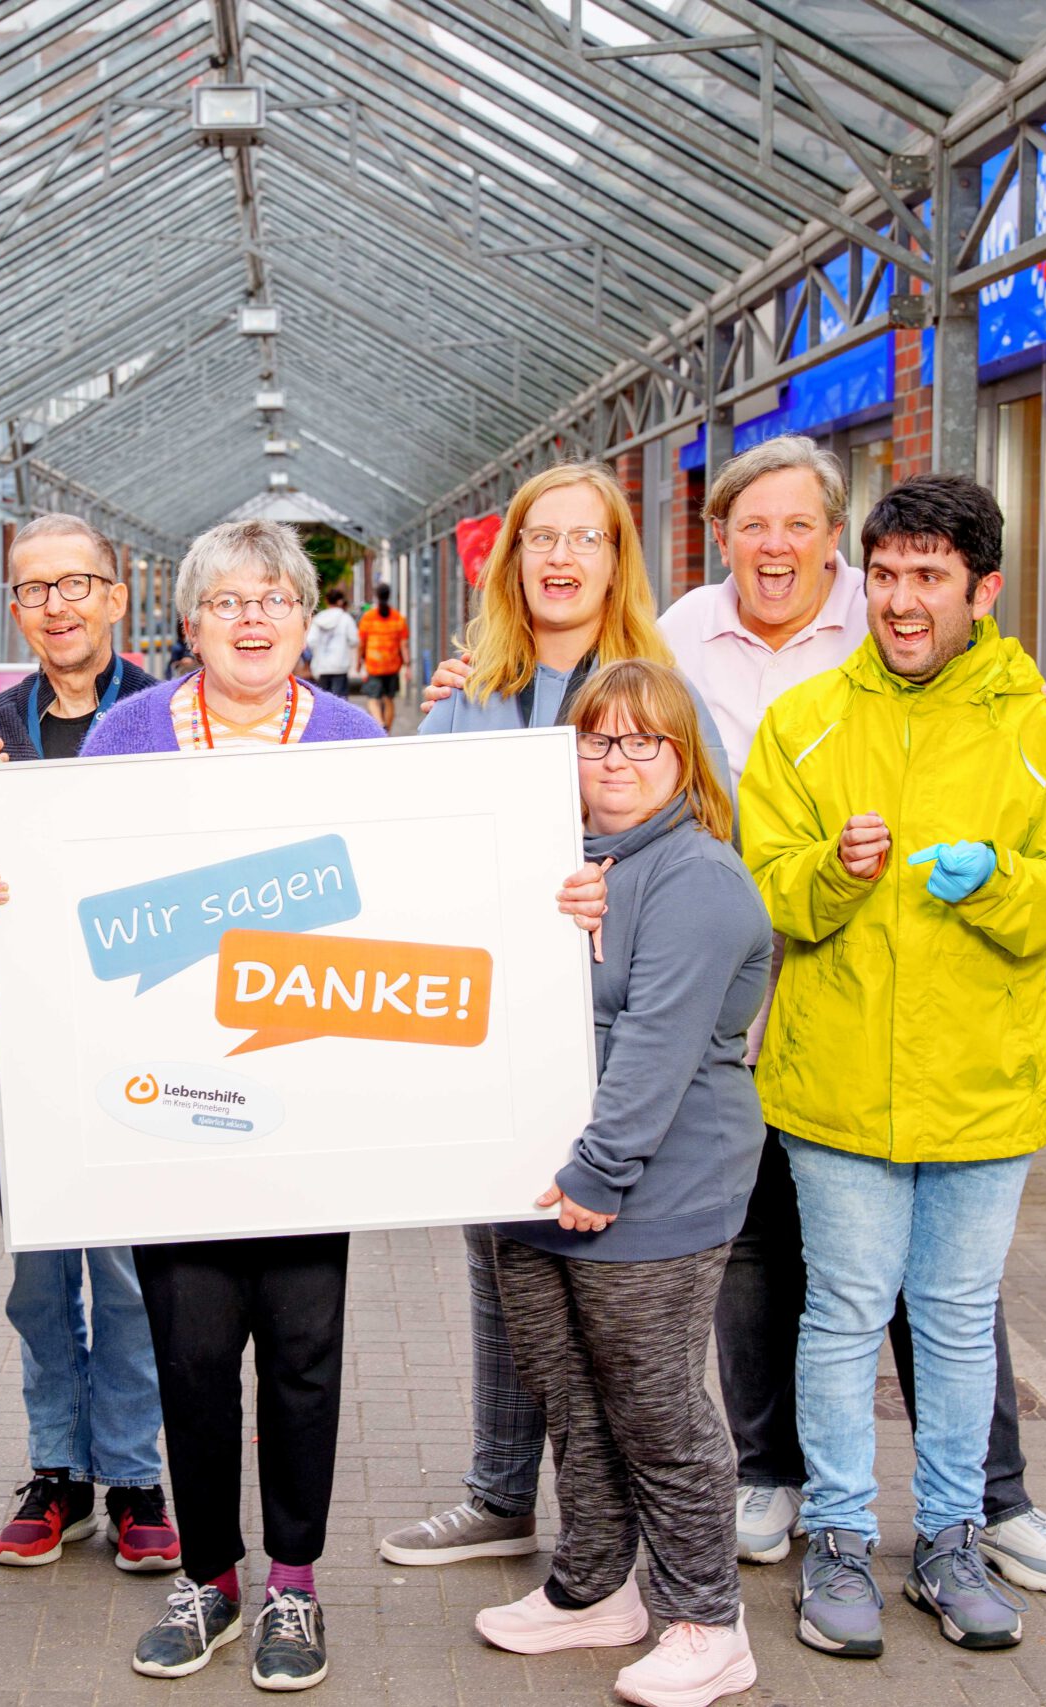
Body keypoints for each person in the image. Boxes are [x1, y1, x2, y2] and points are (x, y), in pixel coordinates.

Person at [425, 438, 1046, 1591]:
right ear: (718, 540)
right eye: (751, 525)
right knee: (762, 1268)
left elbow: (1005, 765)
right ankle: (767, 1480)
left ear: (836, 541)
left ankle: (986, 1502)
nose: (774, 545)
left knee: (928, 1292)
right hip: (730, 1022)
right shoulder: (674, 641)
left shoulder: (881, 632)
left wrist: (1026, 705)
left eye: (798, 525)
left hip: (825, 1020)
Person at [0, 519, 609, 1695]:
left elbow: (422, 886)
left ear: (306, 620)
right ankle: (208, 1579)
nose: (249, 620)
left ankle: (294, 1584)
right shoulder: (129, 732)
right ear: (189, 623)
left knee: (305, 1353)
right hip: (170, 1108)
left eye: (272, 599)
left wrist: (545, 893)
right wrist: (0, 887)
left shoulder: (353, 738)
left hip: (314, 1109)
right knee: (192, 1355)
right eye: (226, 601)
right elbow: (73, 884)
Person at [741, 473, 1046, 1659]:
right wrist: (832, 874)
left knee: (954, 1322)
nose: (902, 601)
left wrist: (997, 883)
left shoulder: (1039, 732)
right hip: (838, 1082)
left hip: (980, 1083)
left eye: (929, 578)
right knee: (844, 1313)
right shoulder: (804, 722)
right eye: (886, 575)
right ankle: (841, 1540)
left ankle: (950, 1541)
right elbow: (764, 883)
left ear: (981, 592)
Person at [385, 461, 731, 1572]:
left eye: (587, 537)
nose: (562, 556)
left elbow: (706, 849)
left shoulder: (663, 693)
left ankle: (639, 1537)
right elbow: (413, 857)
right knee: (506, 1281)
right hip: (500, 1040)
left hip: (627, 1052)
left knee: (623, 1318)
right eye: (542, 536)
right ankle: (501, 1496)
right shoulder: (466, 698)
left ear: (617, 559)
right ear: (512, 558)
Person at [473, 659, 771, 1707]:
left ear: (684, 758)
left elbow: (655, 1042)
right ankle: (595, 1589)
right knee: (572, 1398)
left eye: (643, 741)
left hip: (649, 1188)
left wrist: (600, 1171)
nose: (615, 760)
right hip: (535, 1186)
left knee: (656, 1411)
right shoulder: (559, 860)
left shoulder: (698, 877)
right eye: (596, 738)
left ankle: (708, 1622)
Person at [0, 513, 178, 1572]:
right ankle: (58, 1470)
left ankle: (134, 1473)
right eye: (35, 589)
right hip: (29, 1038)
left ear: (116, 596)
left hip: (140, 1032)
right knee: (41, 1273)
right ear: (15, 608)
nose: (57, 606)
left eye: (76, 584)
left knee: (130, 1273)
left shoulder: (167, 717)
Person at [356, 582, 410, 731]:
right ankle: (387, 732)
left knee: (373, 699)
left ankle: (379, 723)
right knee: (389, 699)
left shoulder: (368, 617)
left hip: (374, 665)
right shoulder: (398, 618)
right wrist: (408, 666)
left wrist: (358, 662)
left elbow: (361, 643)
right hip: (392, 666)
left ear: (376, 596)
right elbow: (404, 645)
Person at [304, 586, 357, 698]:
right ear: (340, 601)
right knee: (340, 700)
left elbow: (310, 641)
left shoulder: (319, 619)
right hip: (340, 665)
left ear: (326, 601)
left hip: (322, 666)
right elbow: (354, 640)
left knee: (324, 700)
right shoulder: (345, 618)